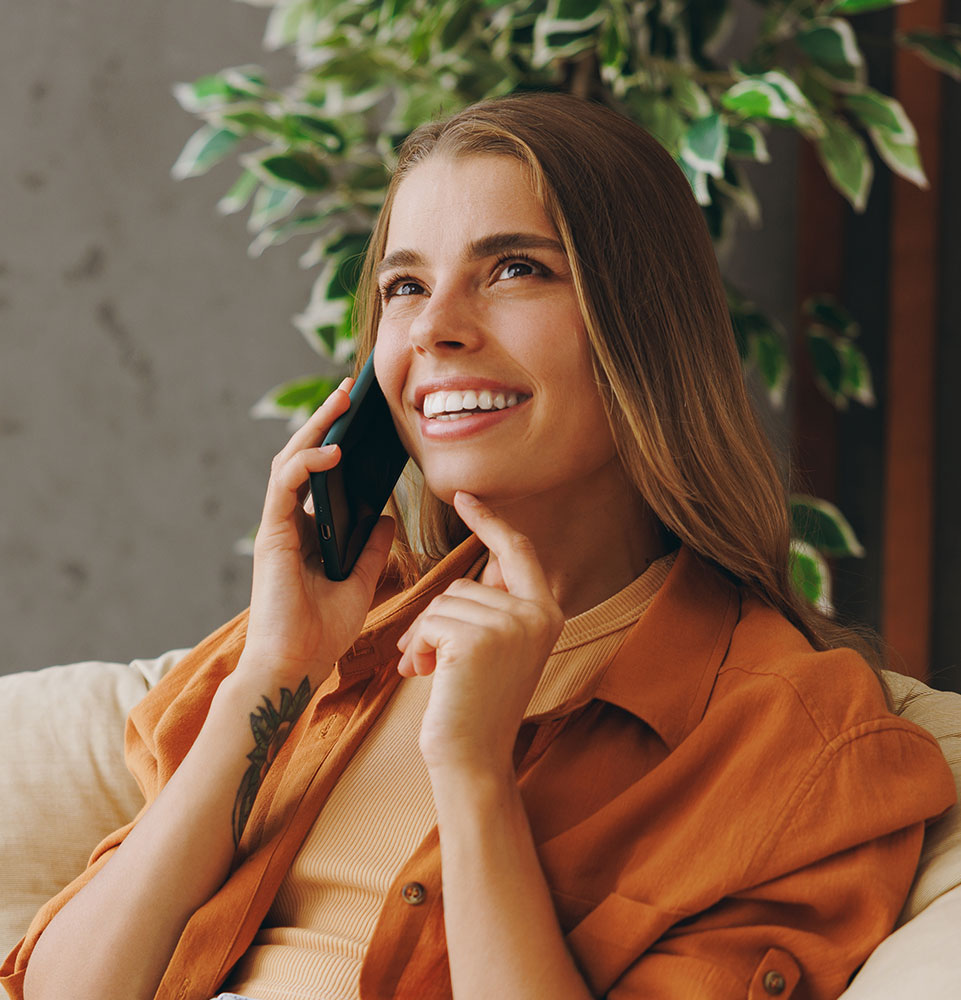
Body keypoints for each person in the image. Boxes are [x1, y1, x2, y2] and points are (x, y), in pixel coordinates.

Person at [3, 92, 955, 1000]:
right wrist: (272, 678)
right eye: (404, 285)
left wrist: (470, 769)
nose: (433, 329)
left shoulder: (797, 747)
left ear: (641, 327)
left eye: (515, 269)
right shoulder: (325, 646)